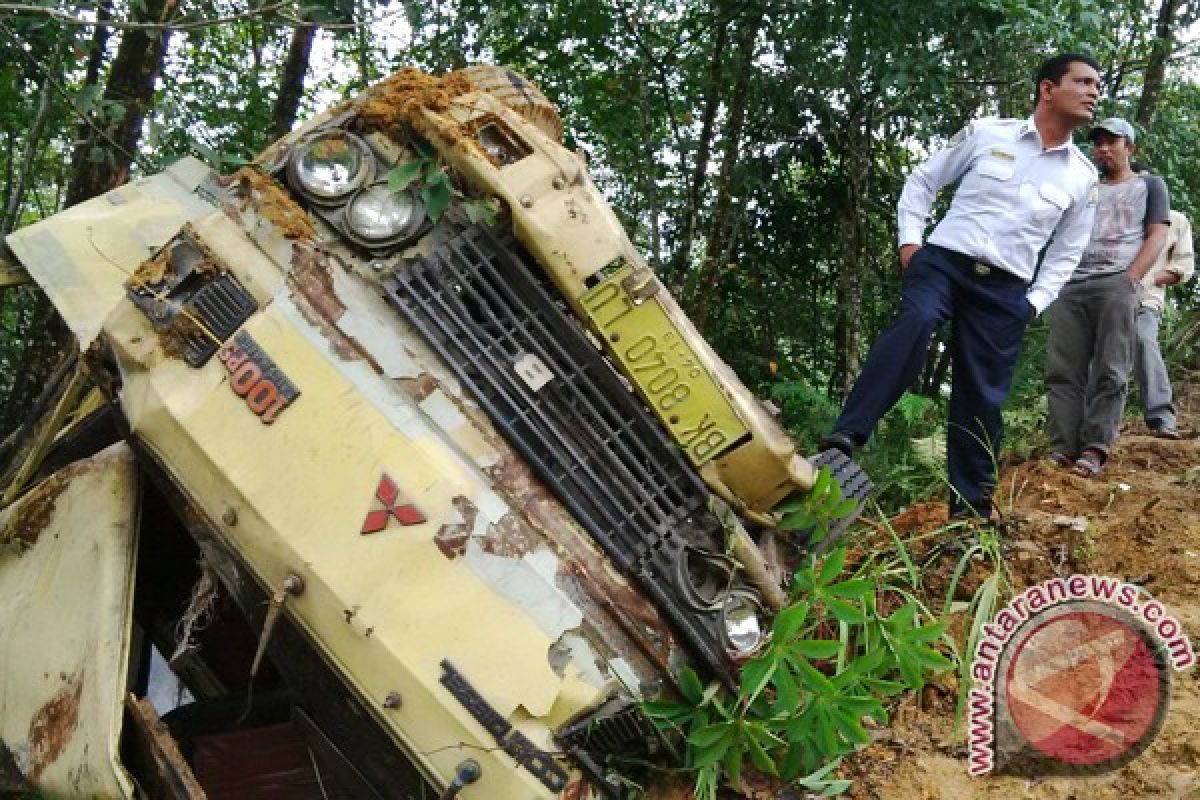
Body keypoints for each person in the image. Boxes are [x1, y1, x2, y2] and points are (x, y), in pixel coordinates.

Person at [820, 53, 1101, 519]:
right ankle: (848, 434)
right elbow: (924, 179)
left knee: (982, 394)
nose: (1094, 91)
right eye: (1083, 81)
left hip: (1006, 290)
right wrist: (910, 244)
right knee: (917, 320)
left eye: (1097, 84)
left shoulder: (1082, 177)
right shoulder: (988, 134)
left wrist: (1032, 303)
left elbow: (1067, 252)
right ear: (1048, 89)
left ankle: (969, 510)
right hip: (945, 263)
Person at [1044, 118, 1170, 476]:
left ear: (1129, 147)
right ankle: (1063, 448)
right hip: (1072, 283)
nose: (1103, 148)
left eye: (1111, 142)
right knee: (1063, 371)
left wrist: (1131, 279)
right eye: (1098, 143)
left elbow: (1157, 235)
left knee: (1111, 366)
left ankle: (1096, 447)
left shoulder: (1149, 185)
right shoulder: (1085, 188)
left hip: (1117, 279)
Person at [1134, 208, 1193, 438]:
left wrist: (1150, 279)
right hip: (1110, 298)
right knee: (1102, 353)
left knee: (1144, 341)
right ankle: (1095, 425)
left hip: (1147, 298)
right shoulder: (1122, 212)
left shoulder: (1176, 220)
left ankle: (1161, 417)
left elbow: (1184, 267)